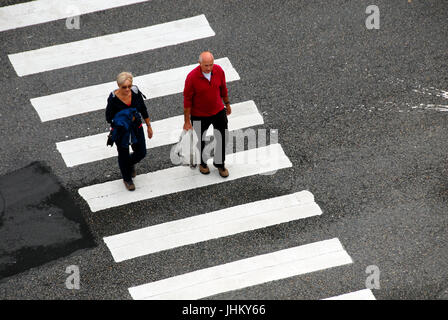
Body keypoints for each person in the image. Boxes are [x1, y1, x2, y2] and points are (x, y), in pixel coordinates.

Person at [183, 51, 232, 177]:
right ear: (199, 63)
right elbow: (187, 100)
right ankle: (202, 163)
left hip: (218, 111)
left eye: (211, 64)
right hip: (199, 114)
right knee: (201, 140)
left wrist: (227, 104)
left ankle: (219, 163)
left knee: (222, 137)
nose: (209, 68)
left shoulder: (219, 70)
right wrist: (187, 121)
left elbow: (223, 89)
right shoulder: (191, 77)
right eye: (206, 65)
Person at [106, 72, 153, 191]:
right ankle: (127, 178)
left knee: (141, 152)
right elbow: (108, 117)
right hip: (122, 130)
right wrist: (123, 119)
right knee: (123, 154)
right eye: (124, 87)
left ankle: (129, 163)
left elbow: (143, 109)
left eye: (129, 86)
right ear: (118, 85)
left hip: (136, 126)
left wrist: (148, 126)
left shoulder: (136, 93)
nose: (127, 89)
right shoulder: (113, 99)